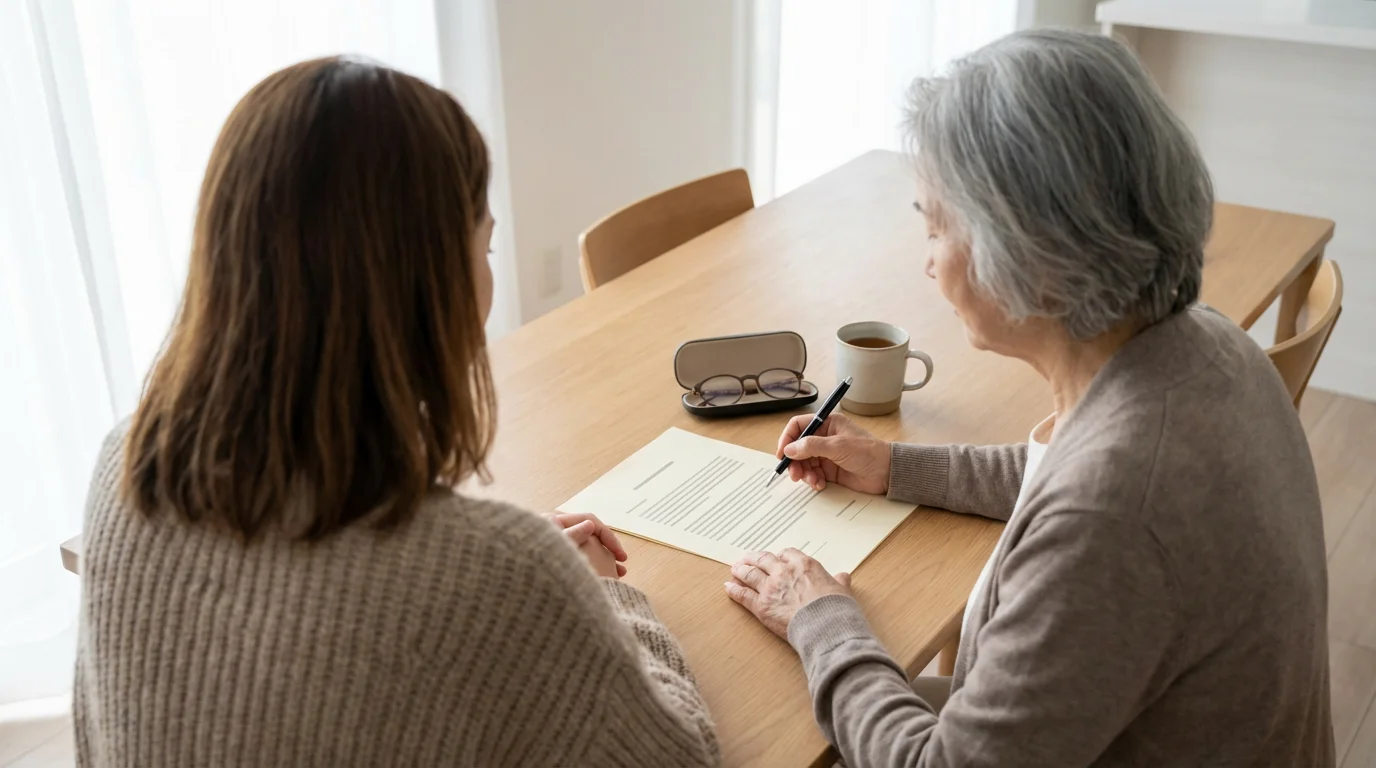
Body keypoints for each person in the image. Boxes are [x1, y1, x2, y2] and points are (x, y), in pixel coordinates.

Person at [74, 57, 719, 767]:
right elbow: (683, 758)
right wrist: (598, 601)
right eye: (488, 245)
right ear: (430, 285)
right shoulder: (506, 576)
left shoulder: (126, 464)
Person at [723, 29, 1333, 767]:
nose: (926, 261)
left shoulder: (1109, 515)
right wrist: (895, 466)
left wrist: (822, 619)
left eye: (938, 227)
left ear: (1031, 256)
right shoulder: (1203, 346)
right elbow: (1068, 470)